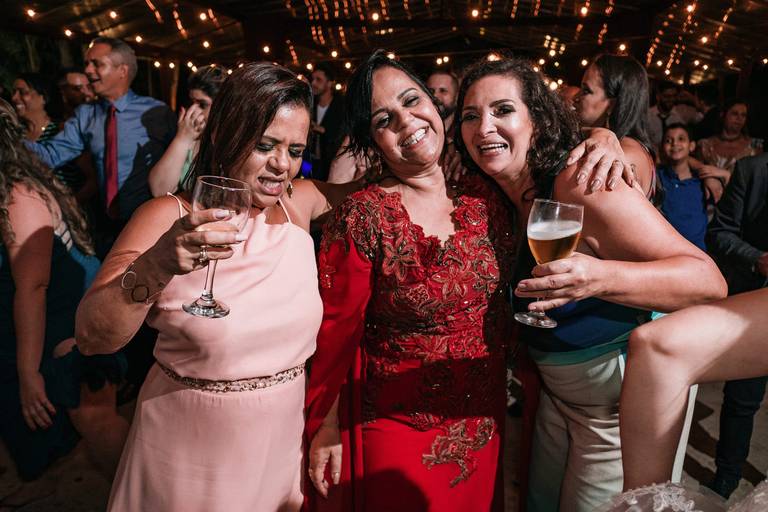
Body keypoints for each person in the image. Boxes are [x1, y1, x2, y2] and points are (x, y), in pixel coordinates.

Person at [304, 50, 638, 512]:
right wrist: (324, 426)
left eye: (412, 101)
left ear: (435, 105)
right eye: (384, 119)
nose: (406, 121)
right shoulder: (365, 215)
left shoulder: (484, 191)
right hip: (398, 422)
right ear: (372, 139)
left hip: (483, 418)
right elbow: (335, 334)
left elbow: (533, 138)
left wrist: (605, 136)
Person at [75, 62, 357, 512]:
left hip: (279, 449)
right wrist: (157, 264)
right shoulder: (166, 216)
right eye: (265, 145)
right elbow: (92, 336)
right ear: (227, 133)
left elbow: (381, 195)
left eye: (295, 150)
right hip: (187, 456)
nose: (282, 164)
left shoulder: (297, 204)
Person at [454, 56, 726, 511]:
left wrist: (598, 277)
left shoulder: (581, 181)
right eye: (470, 115)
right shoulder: (502, 193)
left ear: (537, 118)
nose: (484, 127)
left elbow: (707, 281)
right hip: (559, 400)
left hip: (613, 412)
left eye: (503, 110)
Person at [0, 99, 127, 488]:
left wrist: (28, 373)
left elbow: (33, 286)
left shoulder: (17, 195)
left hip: (66, 322)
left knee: (94, 417)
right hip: (48, 320)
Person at [26, 37, 176, 259]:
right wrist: (8, 139)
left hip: (149, 224)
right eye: (87, 64)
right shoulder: (86, 115)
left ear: (122, 71)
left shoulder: (157, 113)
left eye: (97, 64)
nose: (88, 70)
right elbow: (51, 154)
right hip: (105, 228)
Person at [702, 152, 768, 498]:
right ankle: (727, 475)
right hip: (755, 303)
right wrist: (758, 259)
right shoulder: (751, 169)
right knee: (743, 398)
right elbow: (720, 232)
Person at [575, 54, 656, 197]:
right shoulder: (618, 144)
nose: (576, 97)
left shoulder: (623, 154)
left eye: (586, 91)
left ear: (612, 105)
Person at [148, 65, 226, 196]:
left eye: (202, 105)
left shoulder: (230, 140)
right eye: (191, 103)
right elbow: (159, 190)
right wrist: (182, 138)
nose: (192, 111)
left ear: (221, 106)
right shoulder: (190, 134)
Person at [656, 123, 709, 249]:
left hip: (697, 250)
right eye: (668, 141)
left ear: (691, 146)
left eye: (681, 139)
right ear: (662, 147)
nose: (675, 144)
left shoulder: (702, 180)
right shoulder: (657, 177)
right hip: (666, 248)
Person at [696, 99, 764, 175]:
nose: (739, 118)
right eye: (735, 114)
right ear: (722, 115)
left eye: (743, 115)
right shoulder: (705, 145)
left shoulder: (755, 145)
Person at [309, 62, 345, 181]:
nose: (313, 83)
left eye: (318, 80)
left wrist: (320, 129)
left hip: (331, 164)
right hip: (309, 161)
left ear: (329, 83)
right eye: (313, 79)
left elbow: (343, 135)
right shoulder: (310, 103)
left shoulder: (341, 106)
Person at [646, 82, 703, 151]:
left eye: (674, 96)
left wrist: (692, 99)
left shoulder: (683, 112)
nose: (671, 99)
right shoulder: (647, 115)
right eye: (667, 96)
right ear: (658, 97)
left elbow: (704, 117)